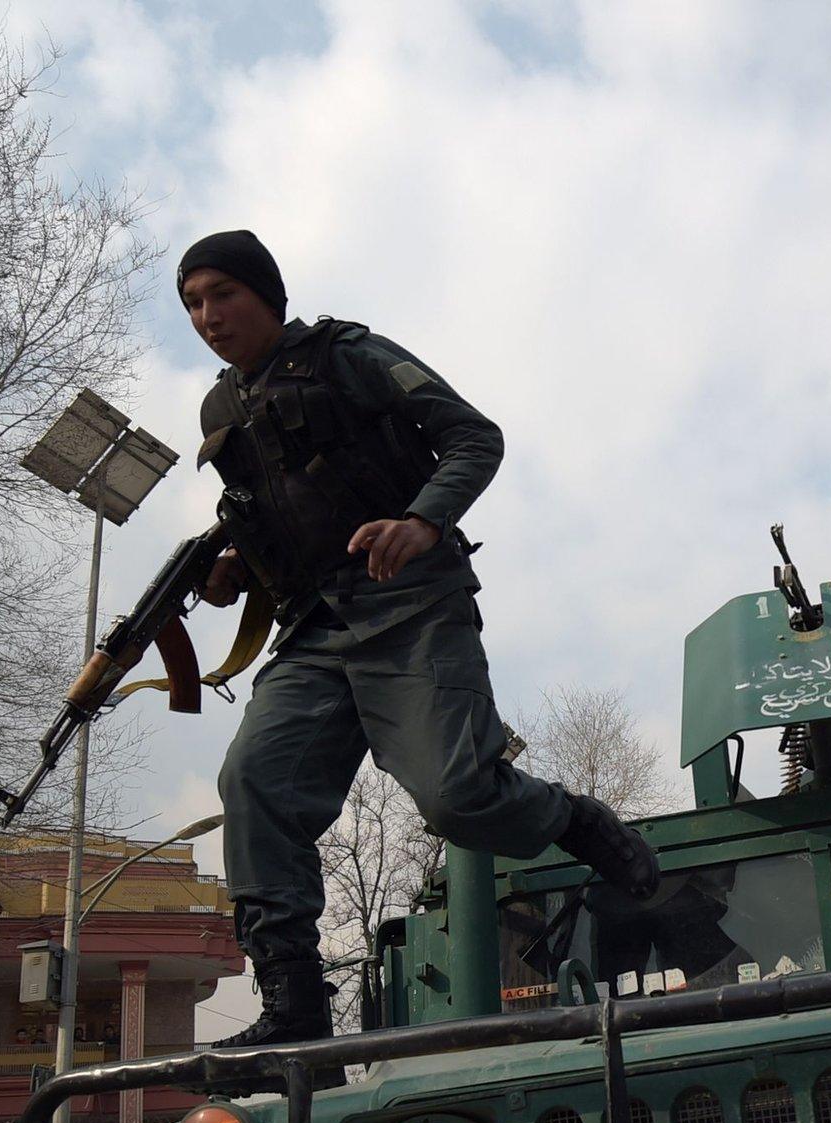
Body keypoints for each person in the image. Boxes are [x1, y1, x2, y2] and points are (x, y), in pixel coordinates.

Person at [177, 229, 659, 1048]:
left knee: (458, 798)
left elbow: (475, 437)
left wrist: (423, 521)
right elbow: (278, 532)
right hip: (315, 630)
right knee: (253, 783)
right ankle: (294, 1012)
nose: (208, 316)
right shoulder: (221, 410)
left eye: (222, 293)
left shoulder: (347, 355)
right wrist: (236, 574)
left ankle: (574, 820)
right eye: (192, 303)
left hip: (413, 608)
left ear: (267, 294)